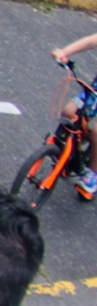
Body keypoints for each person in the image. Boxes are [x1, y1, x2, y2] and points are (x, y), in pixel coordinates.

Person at [51, 30, 97, 199]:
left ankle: (93, 174)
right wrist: (64, 53)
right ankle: (74, 149)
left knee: (96, 132)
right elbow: (90, 41)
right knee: (68, 112)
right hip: (94, 92)